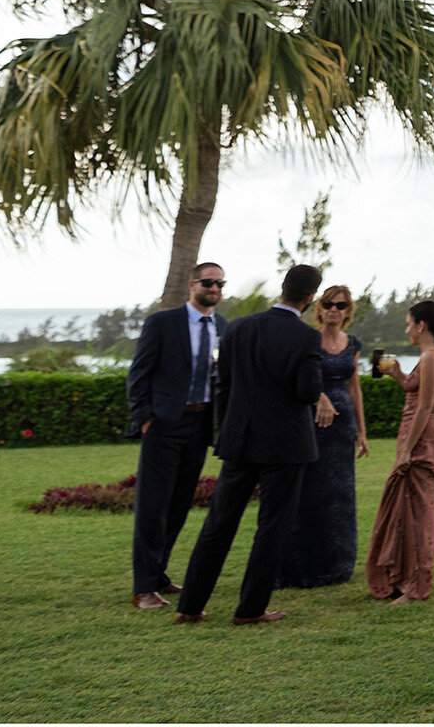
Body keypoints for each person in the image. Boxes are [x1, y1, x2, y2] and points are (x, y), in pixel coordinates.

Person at [173, 262, 330, 626]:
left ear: (283, 289)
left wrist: (227, 430)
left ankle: (190, 605)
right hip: (286, 445)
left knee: (218, 523)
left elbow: (222, 386)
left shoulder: (240, 328)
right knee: (272, 527)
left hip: (239, 440)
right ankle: (250, 610)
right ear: (310, 298)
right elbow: (308, 391)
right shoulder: (306, 338)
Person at [124, 260, 230, 610]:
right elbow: (139, 374)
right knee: (153, 507)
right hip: (164, 425)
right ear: (192, 284)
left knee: (180, 505)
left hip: (200, 427)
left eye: (219, 284)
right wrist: (145, 419)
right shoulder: (162, 323)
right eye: (207, 283)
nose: (213, 289)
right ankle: (143, 589)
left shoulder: (224, 328)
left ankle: (158, 576)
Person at [366, 299, 434, 602]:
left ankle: (416, 586)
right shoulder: (432, 357)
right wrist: (399, 375)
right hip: (423, 438)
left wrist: (406, 450)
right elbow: (415, 391)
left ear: (422, 325)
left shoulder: (432, 357)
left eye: (408, 323)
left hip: (423, 441)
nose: (406, 330)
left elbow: (427, 407)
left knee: (418, 518)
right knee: (406, 512)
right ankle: (401, 580)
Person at [278, 284, 366, 589]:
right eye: (328, 303)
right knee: (307, 494)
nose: (334, 309)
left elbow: (354, 387)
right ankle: (300, 566)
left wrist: (361, 432)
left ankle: (336, 565)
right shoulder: (308, 339)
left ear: (347, 311)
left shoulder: (352, 344)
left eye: (340, 305)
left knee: (339, 495)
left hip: (342, 431)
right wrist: (318, 397)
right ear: (319, 307)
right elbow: (293, 379)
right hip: (310, 425)